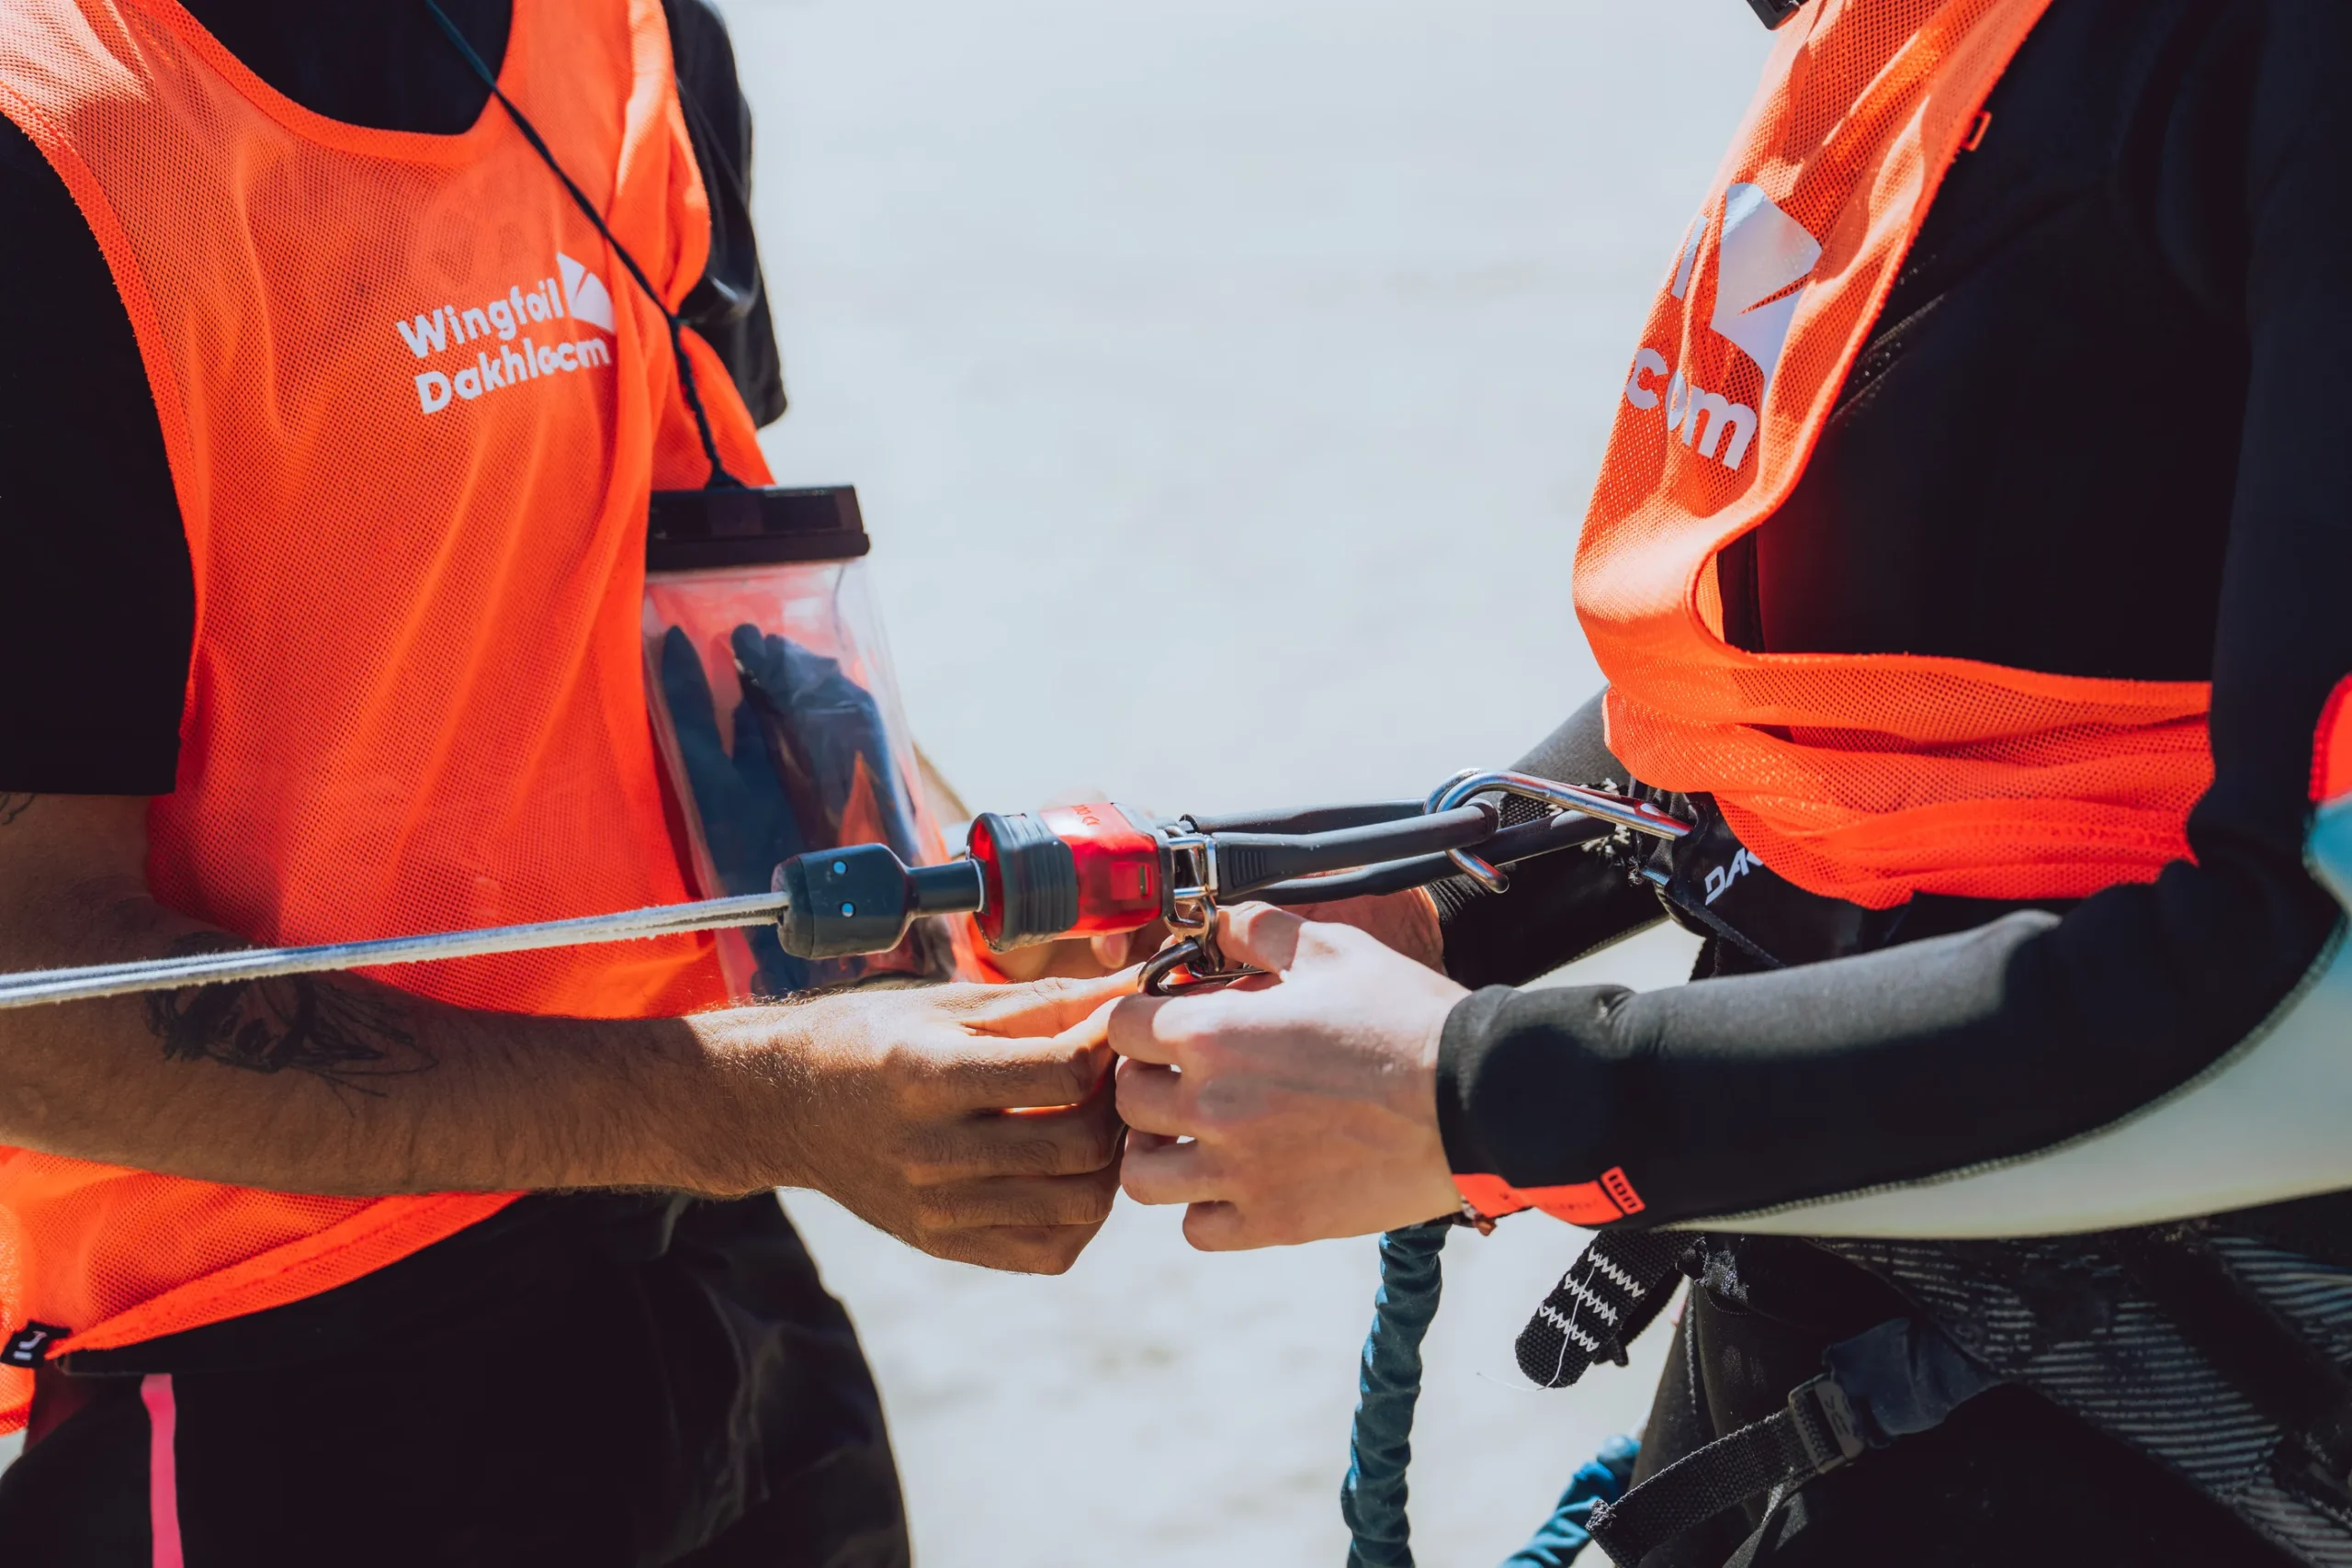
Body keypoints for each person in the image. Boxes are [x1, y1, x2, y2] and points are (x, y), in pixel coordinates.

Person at [1108, 0, 2352, 1563]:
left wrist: (1477, 1095)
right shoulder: (1899, 35)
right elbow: (1868, 683)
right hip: (1804, 1412)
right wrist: (1432, 906)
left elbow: (2318, 1005)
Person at [0, 3, 1124, 1562]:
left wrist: (1009, 920)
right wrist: (762, 1102)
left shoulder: (635, 35)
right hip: (271, 1375)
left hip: (711, 1265)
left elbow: (725, 635)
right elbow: (29, 1008)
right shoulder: (46, 143)